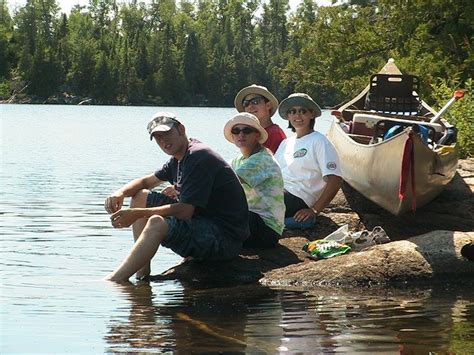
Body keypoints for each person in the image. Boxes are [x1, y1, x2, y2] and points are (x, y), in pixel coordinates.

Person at [104, 112, 249, 282]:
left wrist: (137, 213)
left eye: (167, 134)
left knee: (156, 222)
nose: (163, 141)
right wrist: (119, 193)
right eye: (158, 138)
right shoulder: (179, 158)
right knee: (140, 196)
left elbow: (185, 211)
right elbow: (145, 182)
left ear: (181, 129)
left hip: (225, 240)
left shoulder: (198, 156)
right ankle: (142, 274)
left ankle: (115, 280)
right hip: (204, 222)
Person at [274, 93, 343, 226]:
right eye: (292, 111)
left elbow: (335, 179)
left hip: (299, 197)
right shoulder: (286, 143)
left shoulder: (320, 141)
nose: (297, 116)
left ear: (312, 114)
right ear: (288, 116)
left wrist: (315, 210)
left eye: (303, 111)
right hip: (280, 191)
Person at [223, 112, 285, 248]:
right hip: (252, 221)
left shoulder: (261, 160)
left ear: (257, 135)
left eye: (247, 130)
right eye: (236, 131)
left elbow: (225, 181)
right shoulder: (238, 160)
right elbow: (219, 173)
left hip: (266, 228)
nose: (241, 134)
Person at [234, 84, 286, 153]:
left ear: (268, 105)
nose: (250, 106)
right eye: (246, 103)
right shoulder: (250, 134)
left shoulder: (275, 133)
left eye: (255, 102)